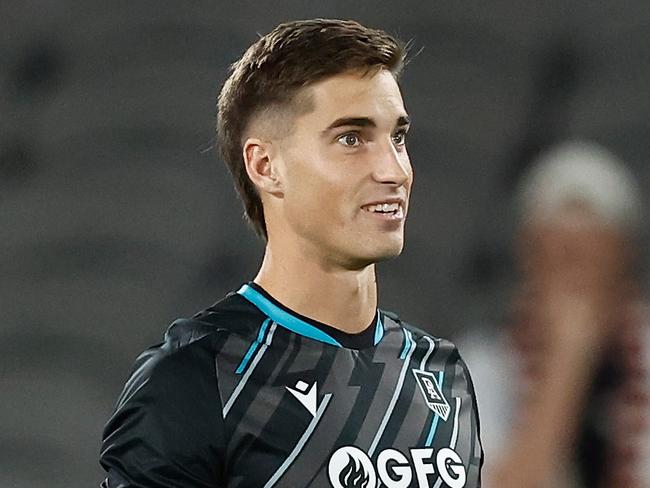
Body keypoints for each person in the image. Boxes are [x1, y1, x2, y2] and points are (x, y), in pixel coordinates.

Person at [98, 18, 483, 488]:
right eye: (351, 138)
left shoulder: (441, 374)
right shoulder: (199, 377)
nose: (394, 169)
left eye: (397, 137)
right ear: (266, 166)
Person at [457, 140, 650, 488]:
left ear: (624, 265)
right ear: (528, 263)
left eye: (591, 261)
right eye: (560, 261)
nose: (574, 286)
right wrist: (568, 361)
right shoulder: (476, 369)